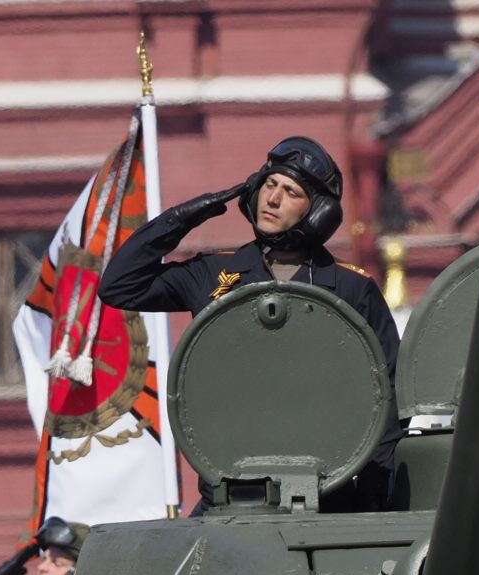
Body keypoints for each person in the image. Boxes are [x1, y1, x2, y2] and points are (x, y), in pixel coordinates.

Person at [100, 135, 402, 504]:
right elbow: (119, 286)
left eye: (291, 192)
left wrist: (370, 501)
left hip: (328, 493)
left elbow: (389, 396)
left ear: (318, 212)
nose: (272, 199)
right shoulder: (213, 273)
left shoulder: (351, 288)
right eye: (269, 184)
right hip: (230, 491)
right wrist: (187, 216)